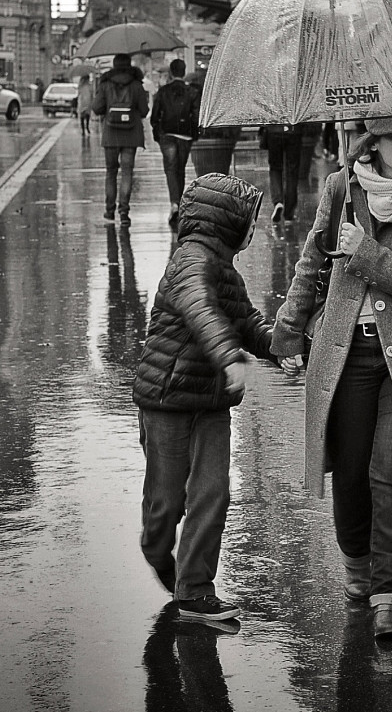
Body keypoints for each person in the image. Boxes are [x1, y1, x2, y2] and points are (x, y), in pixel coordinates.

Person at [271, 113, 392, 640]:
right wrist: (288, 332)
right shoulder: (340, 189)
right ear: (372, 144)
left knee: (391, 470)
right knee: (351, 471)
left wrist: (367, 252)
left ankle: (389, 597)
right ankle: (358, 572)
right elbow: (311, 263)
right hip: (344, 353)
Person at [133, 172, 277, 623]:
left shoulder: (226, 271)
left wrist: (287, 345)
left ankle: (194, 590)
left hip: (212, 405)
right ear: (225, 221)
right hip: (168, 401)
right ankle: (157, 549)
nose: (254, 229)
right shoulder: (190, 263)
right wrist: (230, 358)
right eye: (249, 220)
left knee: (213, 493)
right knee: (166, 504)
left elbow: (246, 321)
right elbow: (202, 311)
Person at [91, 53, 149, 227]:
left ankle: (109, 211)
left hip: (111, 134)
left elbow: (96, 108)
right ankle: (124, 212)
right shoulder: (137, 85)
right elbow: (145, 111)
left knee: (111, 172)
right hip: (131, 135)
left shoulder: (106, 84)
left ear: (114, 65)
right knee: (127, 172)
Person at [151, 59, 201, 227]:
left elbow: (154, 116)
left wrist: (158, 132)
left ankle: (175, 203)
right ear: (184, 71)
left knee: (171, 169)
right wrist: (194, 134)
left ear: (171, 73)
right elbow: (196, 116)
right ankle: (178, 203)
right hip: (185, 136)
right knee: (180, 168)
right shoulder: (191, 92)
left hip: (168, 135)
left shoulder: (163, 91)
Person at [259, 122, 303, 222]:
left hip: (274, 130)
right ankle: (289, 212)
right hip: (294, 130)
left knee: (275, 168)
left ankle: (278, 201)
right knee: (292, 171)